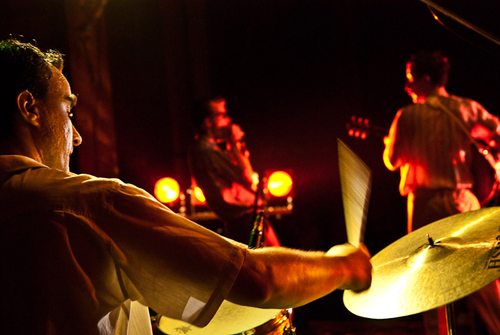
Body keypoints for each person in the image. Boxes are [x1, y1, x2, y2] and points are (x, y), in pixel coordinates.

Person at [0, 38, 372, 335]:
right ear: (29, 108)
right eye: (68, 111)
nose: (77, 137)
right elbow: (259, 280)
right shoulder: (89, 201)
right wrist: (345, 266)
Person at [383, 50, 500, 335]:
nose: (407, 86)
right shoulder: (466, 107)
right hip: (463, 199)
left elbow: (393, 160)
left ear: (425, 79)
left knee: (427, 281)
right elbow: (496, 131)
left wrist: (390, 142)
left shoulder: (407, 115)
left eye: (411, 79)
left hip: (425, 204)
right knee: (482, 274)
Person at [188, 97, 280, 245]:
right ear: (207, 122)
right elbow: (246, 177)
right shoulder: (205, 151)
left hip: (246, 218)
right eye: (222, 115)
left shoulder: (209, 150)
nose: (228, 120)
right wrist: (234, 142)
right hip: (244, 221)